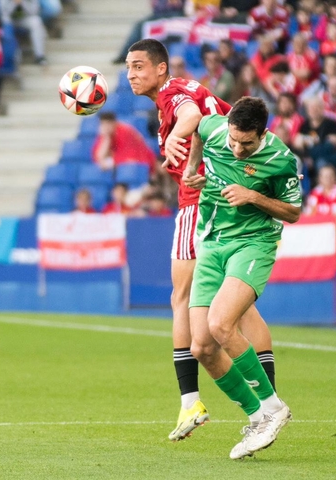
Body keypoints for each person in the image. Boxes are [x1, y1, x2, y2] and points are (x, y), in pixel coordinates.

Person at [126, 38, 279, 442]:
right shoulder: (190, 89)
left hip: (201, 204)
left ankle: (192, 400)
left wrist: (177, 134)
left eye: (139, 66)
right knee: (240, 312)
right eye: (128, 67)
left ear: (161, 69)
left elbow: (190, 115)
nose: (131, 75)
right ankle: (269, 404)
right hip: (230, 201)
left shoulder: (175, 94)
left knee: (182, 299)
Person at [181, 96, 301, 460]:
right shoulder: (216, 128)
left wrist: (254, 196)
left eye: (246, 144)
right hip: (212, 243)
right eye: (233, 140)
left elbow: (293, 211)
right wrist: (192, 167)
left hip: (253, 243)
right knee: (201, 347)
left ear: (262, 134)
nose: (236, 148)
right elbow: (199, 126)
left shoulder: (281, 160)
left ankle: (273, 407)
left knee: (221, 324)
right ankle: (256, 415)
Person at [91, 112, 156, 173]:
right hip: (121, 166)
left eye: (107, 124)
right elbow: (99, 158)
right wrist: (106, 139)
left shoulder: (125, 131)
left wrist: (111, 163)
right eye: (103, 124)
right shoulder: (104, 134)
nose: (105, 127)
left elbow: (129, 156)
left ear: (114, 123)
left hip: (141, 161)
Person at [0, 0, 48, 65]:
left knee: (36, 21)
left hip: (24, 18)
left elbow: (34, 11)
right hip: (9, 20)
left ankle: (40, 56)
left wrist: (22, 2)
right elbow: (2, 12)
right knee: (6, 23)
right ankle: (11, 61)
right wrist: (14, 3)